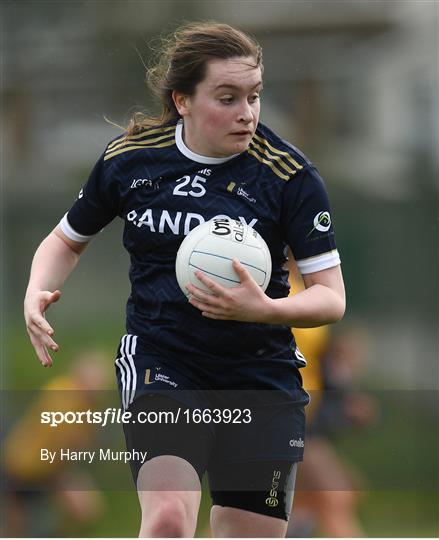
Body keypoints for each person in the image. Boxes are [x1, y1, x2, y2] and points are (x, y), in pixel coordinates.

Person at [24, 21, 345, 538]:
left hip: (260, 377)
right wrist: (36, 291)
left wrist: (262, 309)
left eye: (255, 96)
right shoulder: (131, 159)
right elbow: (65, 240)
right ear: (182, 100)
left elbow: (331, 299)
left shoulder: (289, 177)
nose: (247, 112)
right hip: (164, 362)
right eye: (227, 97)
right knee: (169, 519)